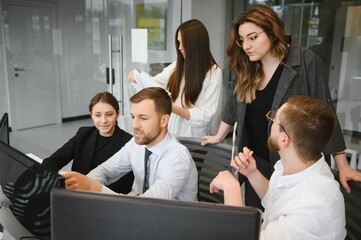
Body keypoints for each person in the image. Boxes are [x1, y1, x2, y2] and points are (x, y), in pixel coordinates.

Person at [202, 4, 361, 209]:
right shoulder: (247, 65)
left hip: (291, 164)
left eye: (253, 37)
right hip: (255, 161)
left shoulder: (304, 61)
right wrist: (218, 134)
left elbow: (325, 111)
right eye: (242, 40)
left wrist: (342, 163)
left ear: (271, 31)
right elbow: (234, 105)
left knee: (285, 221)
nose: (246, 45)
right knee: (258, 219)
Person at [210, 96, 346, 240]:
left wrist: (232, 188)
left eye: (274, 119)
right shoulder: (296, 165)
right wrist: (252, 173)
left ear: (284, 139)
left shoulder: (313, 207)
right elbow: (275, 201)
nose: (270, 121)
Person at [60, 87, 198, 201]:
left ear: (164, 121)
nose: (134, 125)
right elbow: (105, 171)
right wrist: (81, 186)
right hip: (147, 216)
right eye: (133, 117)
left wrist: (94, 188)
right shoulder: (136, 144)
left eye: (143, 118)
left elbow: (146, 206)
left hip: (175, 225)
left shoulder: (177, 158)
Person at [129, 19, 223, 138]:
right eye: (178, 43)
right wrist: (139, 77)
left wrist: (171, 107)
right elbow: (155, 83)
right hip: (170, 135)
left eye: (184, 43)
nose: (180, 48)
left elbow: (205, 116)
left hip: (193, 140)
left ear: (196, 44)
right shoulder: (178, 65)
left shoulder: (214, 73)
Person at [41, 91, 134, 194]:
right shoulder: (83, 134)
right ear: (91, 115)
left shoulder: (128, 142)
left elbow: (125, 187)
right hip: (76, 195)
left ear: (117, 114)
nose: (103, 120)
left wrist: (87, 185)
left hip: (106, 200)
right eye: (98, 115)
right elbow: (53, 160)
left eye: (109, 114)